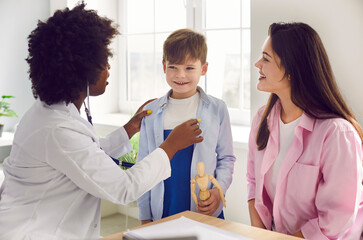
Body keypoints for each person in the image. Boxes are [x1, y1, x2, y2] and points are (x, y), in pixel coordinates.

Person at [0, 4, 203, 240]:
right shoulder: (56, 128)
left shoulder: (53, 112)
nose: (108, 68)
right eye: (104, 61)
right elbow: (123, 188)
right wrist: (172, 145)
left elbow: (86, 155)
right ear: (81, 70)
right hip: (33, 232)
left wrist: (130, 129)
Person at [247, 22, 363, 239]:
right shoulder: (262, 119)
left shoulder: (337, 133)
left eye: (266, 58)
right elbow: (253, 183)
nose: (257, 64)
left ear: (291, 70)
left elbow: (336, 216)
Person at [137, 28, 236, 224]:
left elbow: (226, 158)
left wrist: (219, 191)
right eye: (173, 67)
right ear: (164, 66)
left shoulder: (217, 109)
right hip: (163, 210)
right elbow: (143, 167)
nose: (180, 75)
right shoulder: (151, 112)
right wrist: (144, 216)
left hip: (206, 211)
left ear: (204, 68)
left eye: (189, 68)